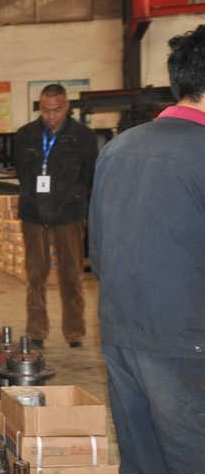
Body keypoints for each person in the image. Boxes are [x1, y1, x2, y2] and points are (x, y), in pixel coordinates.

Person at [89, 25, 205, 473]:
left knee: (142, 460)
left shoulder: (118, 150)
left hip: (122, 335)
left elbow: (98, 251)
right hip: (187, 345)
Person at [14, 84, 97, 349]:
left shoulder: (83, 137)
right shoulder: (24, 135)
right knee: (35, 276)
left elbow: (89, 176)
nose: (51, 116)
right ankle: (36, 331)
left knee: (71, 276)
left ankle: (75, 332)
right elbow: (22, 173)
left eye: (57, 110)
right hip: (34, 214)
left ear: (67, 107)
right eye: (46, 110)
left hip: (68, 215)